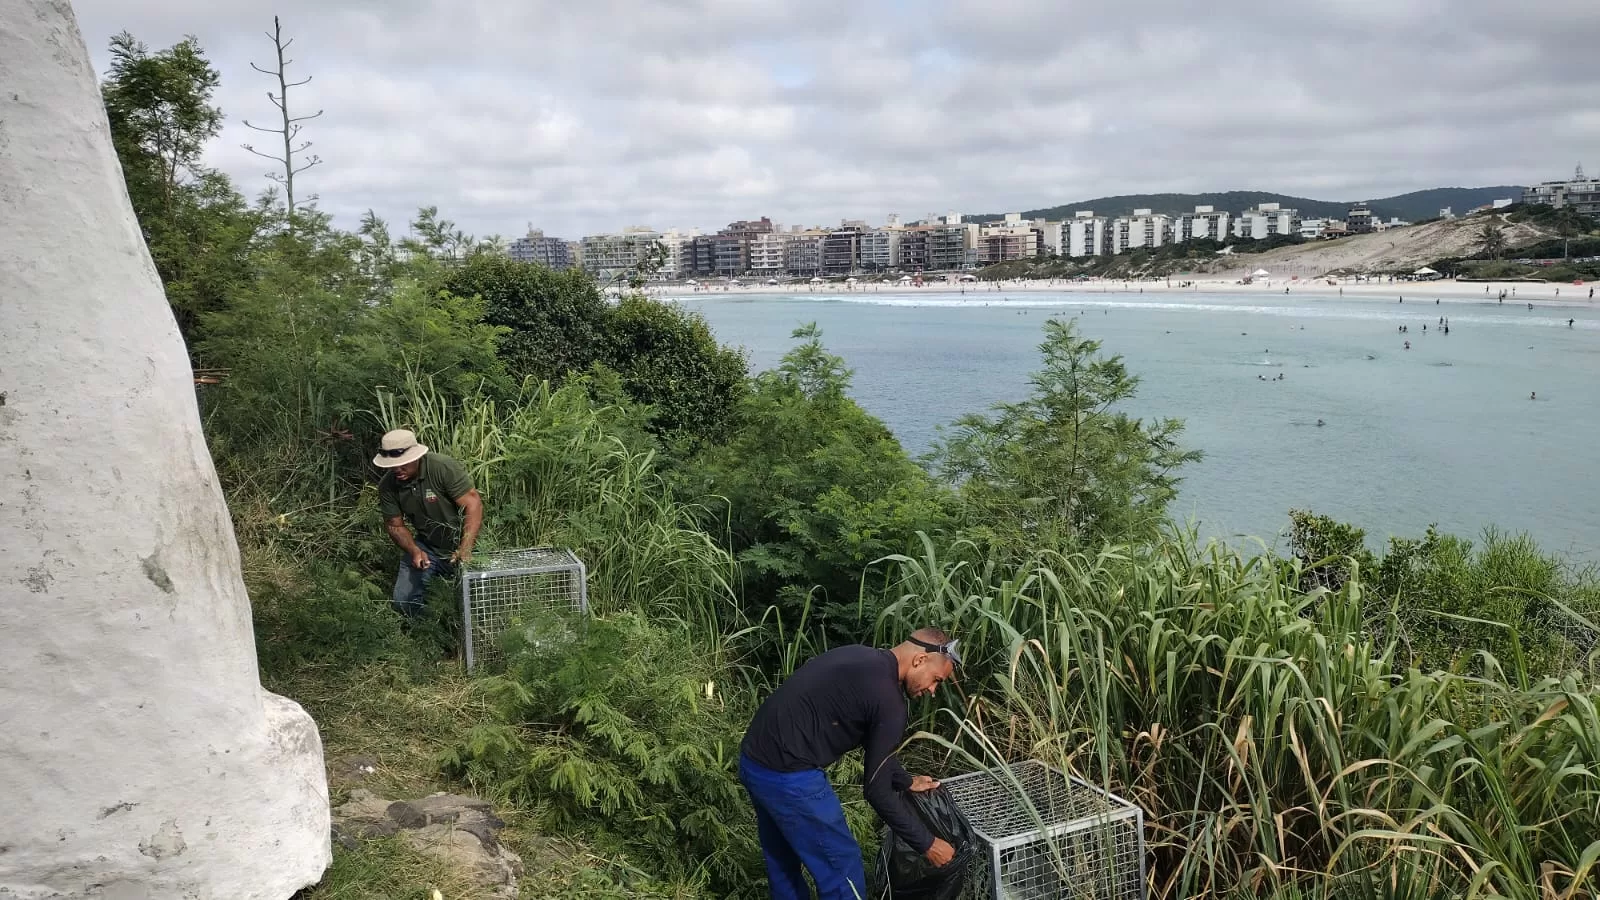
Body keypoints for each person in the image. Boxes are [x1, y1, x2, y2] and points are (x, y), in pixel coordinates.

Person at [739, 629, 961, 899]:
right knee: (842, 868)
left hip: (754, 762)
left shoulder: (862, 657)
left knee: (783, 863)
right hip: (789, 777)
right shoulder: (889, 701)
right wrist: (927, 844)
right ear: (919, 660)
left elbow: (877, 750)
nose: (933, 690)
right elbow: (876, 790)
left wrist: (905, 780)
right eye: (936, 680)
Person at [373, 428, 483, 618]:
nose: (397, 469)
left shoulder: (441, 467)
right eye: (392, 465)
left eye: (402, 464)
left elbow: (472, 504)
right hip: (428, 547)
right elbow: (394, 525)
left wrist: (465, 548)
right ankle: (431, 633)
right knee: (403, 603)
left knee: (478, 605)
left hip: (466, 542)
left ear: (416, 456)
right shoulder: (388, 485)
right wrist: (414, 550)